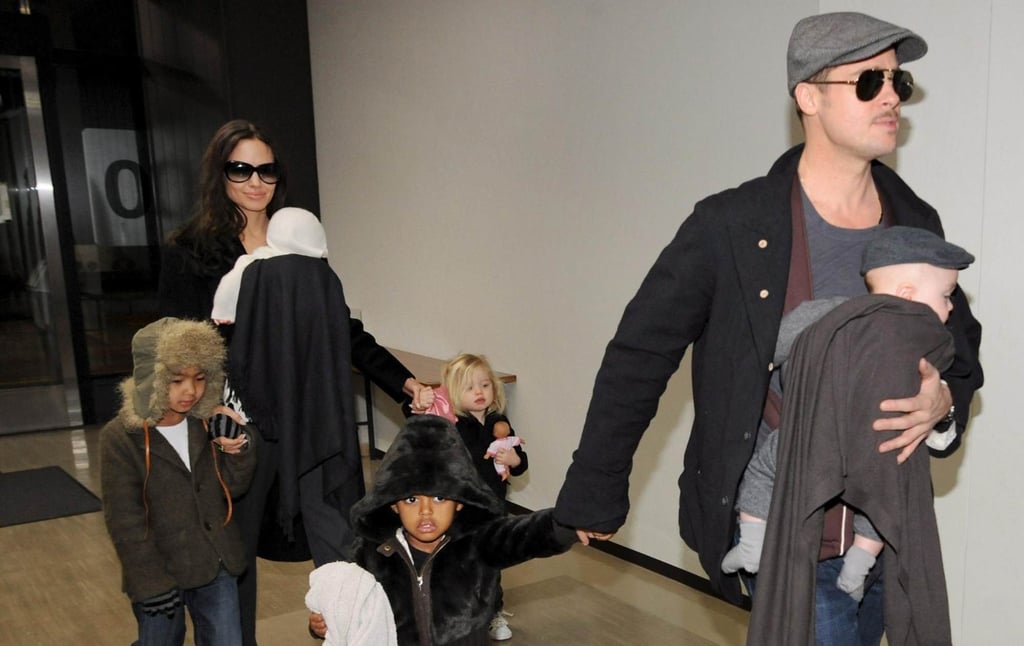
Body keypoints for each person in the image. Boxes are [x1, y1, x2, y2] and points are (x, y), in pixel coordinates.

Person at [553, 12, 983, 645]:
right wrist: (596, 485)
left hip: (888, 525)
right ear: (808, 96)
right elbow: (639, 355)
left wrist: (942, 403)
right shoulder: (730, 224)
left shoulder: (914, 219)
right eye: (869, 81)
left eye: (899, 81)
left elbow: (960, 346)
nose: (891, 96)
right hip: (782, 523)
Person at [156, 119, 431, 646]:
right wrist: (209, 409)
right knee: (232, 554)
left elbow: (341, 329)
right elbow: (175, 346)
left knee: (341, 544)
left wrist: (405, 383)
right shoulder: (190, 249)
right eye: (242, 169)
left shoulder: (298, 239)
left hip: (311, 420)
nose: (256, 181)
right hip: (237, 425)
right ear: (220, 173)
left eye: (267, 170)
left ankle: (346, 633)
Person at [723, 227, 973, 615]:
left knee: (765, 469)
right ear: (908, 294)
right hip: (878, 442)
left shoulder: (836, 312)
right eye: (946, 296)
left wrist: (767, 360)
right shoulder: (931, 340)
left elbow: (779, 340)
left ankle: (753, 544)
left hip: (821, 433)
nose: (952, 307)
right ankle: (857, 565)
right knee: (883, 500)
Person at [307, 415, 579, 645]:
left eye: (439, 498)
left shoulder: (478, 542)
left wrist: (571, 523)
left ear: (459, 502)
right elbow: (346, 603)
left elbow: (529, 535)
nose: (425, 511)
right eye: (411, 500)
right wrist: (323, 623)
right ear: (393, 505)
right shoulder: (371, 553)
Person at [100, 317, 257, 646]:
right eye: (176, 380)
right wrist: (149, 581)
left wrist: (236, 448)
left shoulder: (205, 422)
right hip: (160, 570)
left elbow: (233, 488)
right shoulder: (121, 437)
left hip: (215, 564)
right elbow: (125, 520)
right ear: (151, 378)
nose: (191, 391)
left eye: (200, 378)